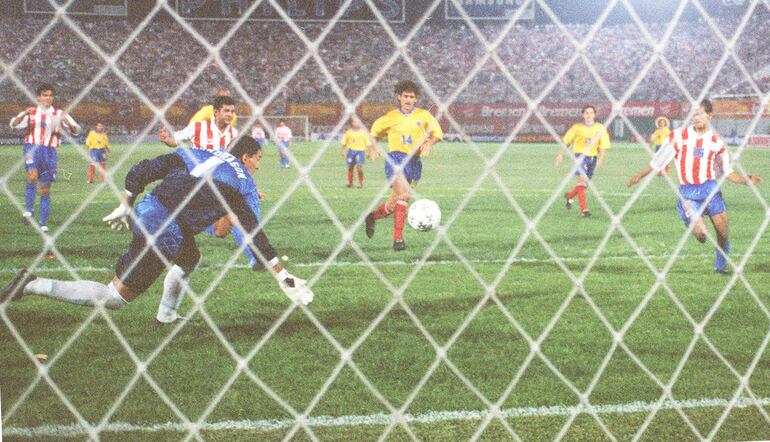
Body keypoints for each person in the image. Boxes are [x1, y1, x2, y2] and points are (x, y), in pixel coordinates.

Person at [0, 136, 314, 319]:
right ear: (246, 158)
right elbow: (252, 235)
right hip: (164, 228)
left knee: (190, 257)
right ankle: (31, 284)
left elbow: (148, 169)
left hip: (153, 207)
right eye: (258, 159)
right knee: (116, 297)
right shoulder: (243, 184)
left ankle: (166, 314)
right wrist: (283, 275)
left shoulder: (199, 151)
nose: (259, 165)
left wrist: (126, 201)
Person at [628, 99, 761, 275]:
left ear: (710, 116)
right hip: (688, 193)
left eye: (700, 113)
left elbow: (726, 172)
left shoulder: (716, 141)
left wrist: (745, 180)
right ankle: (690, 220)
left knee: (723, 233)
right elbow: (658, 162)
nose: (696, 117)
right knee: (701, 235)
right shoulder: (678, 136)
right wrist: (639, 175)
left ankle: (720, 267)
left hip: (711, 189)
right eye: (693, 114)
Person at [365, 80, 443, 251]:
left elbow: (437, 133)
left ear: (416, 100)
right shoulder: (390, 117)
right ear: (399, 97)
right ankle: (398, 240)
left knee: (394, 205)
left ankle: (371, 217)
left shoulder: (423, 115)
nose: (408, 100)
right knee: (404, 194)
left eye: (412, 97)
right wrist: (373, 146)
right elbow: (374, 133)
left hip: (414, 164)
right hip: (396, 159)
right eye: (405, 96)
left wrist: (430, 142)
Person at [9, 83, 81, 232]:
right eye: (44, 95)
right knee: (32, 175)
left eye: (50, 95)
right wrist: (23, 113)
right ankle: (29, 211)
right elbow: (14, 124)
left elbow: (76, 131)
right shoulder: (31, 112)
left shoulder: (60, 114)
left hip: (49, 152)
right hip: (32, 148)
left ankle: (43, 223)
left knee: (44, 189)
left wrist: (69, 125)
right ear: (38, 97)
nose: (48, 98)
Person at [554, 105, 611, 217]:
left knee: (584, 185)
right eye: (586, 113)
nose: (589, 115)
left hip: (593, 158)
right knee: (582, 181)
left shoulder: (600, 128)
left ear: (594, 115)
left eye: (591, 113)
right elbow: (567, 142)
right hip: (580, 157)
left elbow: (604, 145)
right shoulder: (577, 127)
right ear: (583, 114)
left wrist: (601, 159)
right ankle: (584, 210)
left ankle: (569, 196)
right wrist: (560, 154)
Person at [160, 95, 237, 150]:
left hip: (222, 172)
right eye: (226, 111)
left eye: (232, 111)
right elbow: (175, 141)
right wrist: (167, 139)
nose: (230, 114)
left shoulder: (234, 133)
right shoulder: (198, 127)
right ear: (216, 112)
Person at [341, 120, 372, 188]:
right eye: (355, 122)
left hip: (360, 152)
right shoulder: (348, 132)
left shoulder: (363, 133)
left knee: (359, 168)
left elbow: (368, 144)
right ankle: (350, 183)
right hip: (351, 152)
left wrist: (368, 152)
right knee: (350, 167)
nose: (357, 123)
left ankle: (360, 183)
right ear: (352, 123)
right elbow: (344, 143)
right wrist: (343, 151)